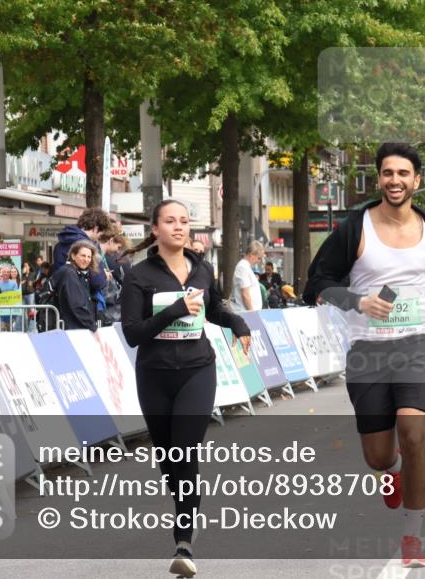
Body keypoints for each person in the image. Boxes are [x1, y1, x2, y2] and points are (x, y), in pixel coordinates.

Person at [303, 142, 425, 569]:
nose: (394, 181)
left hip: (417, 344)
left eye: (403, 173)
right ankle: (391, 470)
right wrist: (357, 301)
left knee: (414, 436)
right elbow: (317, 283)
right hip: (368, 352)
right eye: (387, 173)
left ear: (417, 180)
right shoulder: (354, 227)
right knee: (378, 456)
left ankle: (412, 537)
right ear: (378, 179)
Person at [120, 199, 250, 577]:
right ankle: (184, 514)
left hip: (197, 370)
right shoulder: (139, 275)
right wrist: (174, 310)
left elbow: (216, 310)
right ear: (155, 229)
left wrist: (237, 325)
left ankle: (183, 541)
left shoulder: (203, 268)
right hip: (155, 375)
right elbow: (132, 333)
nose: (179, 227)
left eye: (184, 221)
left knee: (184, 451)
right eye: (170, 221)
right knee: (170, 461)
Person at [52, 208, 113, 295]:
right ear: (95, 229)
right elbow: (97, 282)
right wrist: (105, 276)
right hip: (81, 299)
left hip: (61, 299)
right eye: (100, 235)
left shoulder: (61, 243)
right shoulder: (88, 247)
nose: (98, 239)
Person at [49, 240, 99, 331]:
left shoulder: (78, 273)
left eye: (89, 257)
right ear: (73, 256)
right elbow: (77, 305)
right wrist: (93, 327)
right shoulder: (69, 273)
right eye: (83, 255)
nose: (86, 259)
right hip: (70, 328)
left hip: (72, 327)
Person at [231, 241, 265, 312]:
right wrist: (252, 312)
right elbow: (245, 294)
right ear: (251, 255)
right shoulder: (242, 267)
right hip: (246, 312)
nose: (259, 261)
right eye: (259, 258)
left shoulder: (246, 267)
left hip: (248, 312)